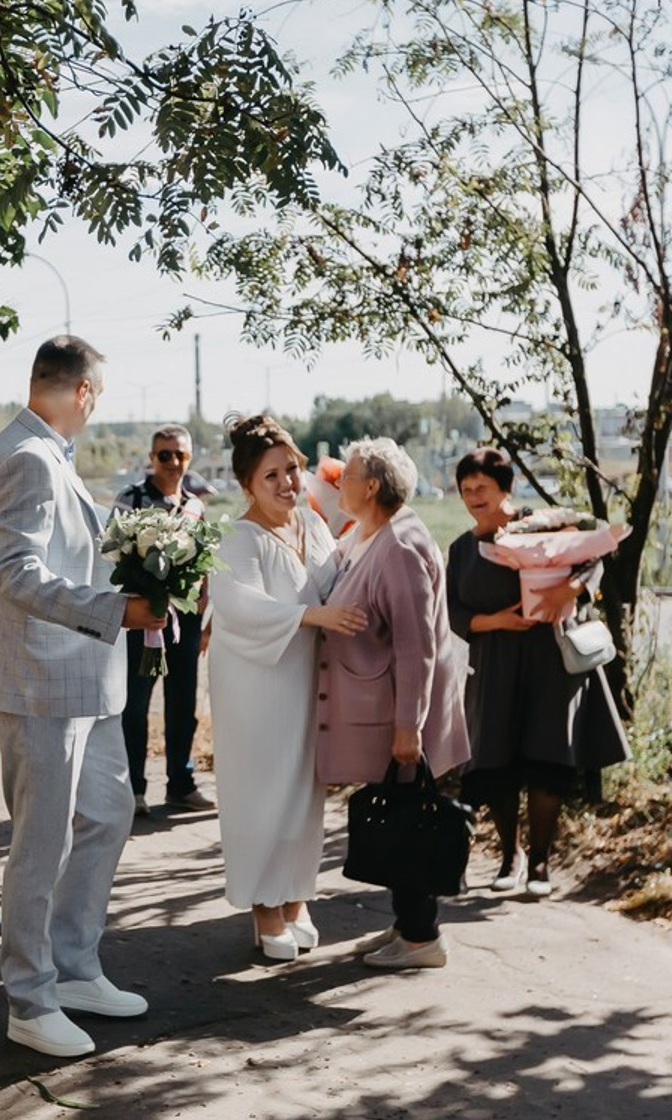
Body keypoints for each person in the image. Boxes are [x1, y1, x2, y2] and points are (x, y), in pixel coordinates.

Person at [0, 336, 166, 1059]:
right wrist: (118, 613)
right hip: (38, 683)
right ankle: (30, 996)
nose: (95, 408)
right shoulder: (25, 458)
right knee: (42, 846)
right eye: (98, 397)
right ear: (82, 392)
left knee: (108, 814)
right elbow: (15, 575)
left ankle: (75, 968)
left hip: (86, 681)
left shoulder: (44, 453)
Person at [208, 416, 367, 960]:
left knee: (303, 790)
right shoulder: (236, 537)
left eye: (293, 469)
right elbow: (239, 607)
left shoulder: (313, 525)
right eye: (272, 475)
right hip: (255, 684)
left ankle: (297, 895)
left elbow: (333, 581)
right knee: (261, 793)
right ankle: (264, 908)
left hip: (304, 680)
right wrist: (315, 615)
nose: (287, 483)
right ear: (248, 483)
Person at [447, 447, 629, 897]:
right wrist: (496, 622)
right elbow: (451, 610)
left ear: (505, 488)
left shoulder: (544, 526)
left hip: (551, 660)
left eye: (482, 488)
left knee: (549, 757)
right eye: (466, 490)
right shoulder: (461, 549)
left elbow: (594, 561)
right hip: (494, 666)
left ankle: (542, 864)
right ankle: (511, 857)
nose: (474, 497)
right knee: (499, 761)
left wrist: (567, 590)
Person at [317, 438, 470, 971]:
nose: (340, 483)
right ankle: (409, 926)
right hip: (389, 705)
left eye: (349, 475)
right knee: (403, 814)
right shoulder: (372, 532)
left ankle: (423, 938)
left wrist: (410, 727)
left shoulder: (400, 545)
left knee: (409, 819)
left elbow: (416, 642)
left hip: (403, 712)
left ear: (373, 486)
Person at [112, 425, 214, 816]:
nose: (173, 462)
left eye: (180, 456)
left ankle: (181, 783)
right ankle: (133, 789)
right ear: (152, 458)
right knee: (136, 706)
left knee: (182, 702)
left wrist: (205, 606)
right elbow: (116, 555)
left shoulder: (195, 504)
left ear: (190, 459)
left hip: (184, 620)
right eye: (165, 455)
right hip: (143, 617)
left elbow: (204, 561)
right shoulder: (132, 498)